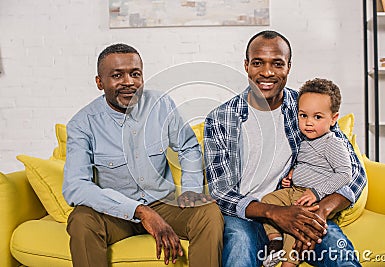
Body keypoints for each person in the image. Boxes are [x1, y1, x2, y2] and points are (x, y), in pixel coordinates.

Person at [203, 30, 366, 267]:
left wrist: (322, 209)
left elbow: (355, 172)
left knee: (336, 249)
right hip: (245, 215)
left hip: (297, 206)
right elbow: (221, 192)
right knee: (239, 245)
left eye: (277, 64)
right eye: (258, 63)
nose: (267, 72)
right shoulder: (220, 119)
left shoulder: (306, 110)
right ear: (246, 66)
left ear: (288, 67)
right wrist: (273, 213)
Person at [62, 43, 223, 267]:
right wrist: (139, 211)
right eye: (117, 75)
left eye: (135, 74)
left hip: (163, 204)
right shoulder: (83, 124)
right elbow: (75, 187)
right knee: (80, 220)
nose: (128, 82)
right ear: (100, 82)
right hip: (114, 213)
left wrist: (191, 191)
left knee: (209, 213)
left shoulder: (161, 105)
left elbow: (188, 146)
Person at [261, 78, 353, 267]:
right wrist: (292, 175)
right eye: (303, 116)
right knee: (267, 202)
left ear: (333, 119)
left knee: (295, 227)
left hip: (313, 198)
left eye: (317, 117)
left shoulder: (332, 143)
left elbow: (345, 174)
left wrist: (316, 192)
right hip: (294, 190)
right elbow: (308, 164)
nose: (308, 123)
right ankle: (274, 239)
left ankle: (289, 262)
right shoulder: (304, 139)